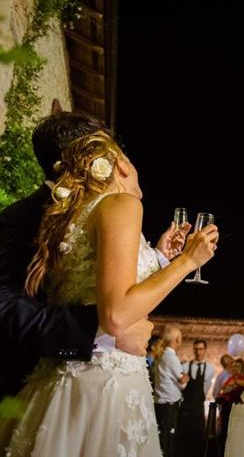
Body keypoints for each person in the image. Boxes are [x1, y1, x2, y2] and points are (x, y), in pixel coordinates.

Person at [0, 131, 219, 456]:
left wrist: (158, 259)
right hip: (106, 387)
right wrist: (188, 261)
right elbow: (116, 314)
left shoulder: (72, 216)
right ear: (120, 166)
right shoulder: (122, 204)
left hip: (65, 379)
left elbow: (96, 288)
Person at [0, 111, 157, 400]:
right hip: (36, 385)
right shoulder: (18, 218)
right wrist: (97, 332)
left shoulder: (103, 208)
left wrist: (157, 256)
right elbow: (5, 306)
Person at [155, 324, 190, 457]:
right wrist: (186, 377)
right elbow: (182, 380)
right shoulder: (171, 358)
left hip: (162, 403)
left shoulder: (162, 356)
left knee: (164, 438)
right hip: (169, 405)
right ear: (177, 340)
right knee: (168, 440)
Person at [178, 338, 215, 457]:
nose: (198, 352)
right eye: (196, 349)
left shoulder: (210, 368)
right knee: (183, 439)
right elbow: (181, 387)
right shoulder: (185, 366)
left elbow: (206, 387)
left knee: (198, 438)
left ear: (205, 350)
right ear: (193, 350)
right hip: (185, 409)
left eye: (201, 349)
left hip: (198, 408)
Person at [217, 359, 244, 453]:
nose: (234, 369)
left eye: (236, 366)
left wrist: (236, 382)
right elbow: (222, 391)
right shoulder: (231, 378)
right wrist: (230, 386)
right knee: (226, 434)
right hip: (229, 409)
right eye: (233, 367)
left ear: (242, 367)